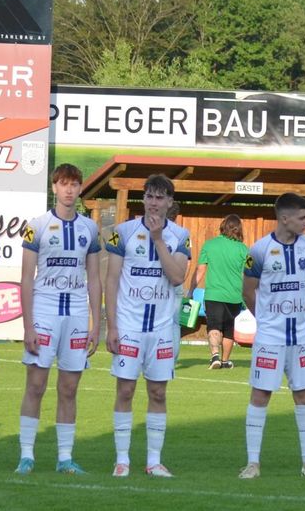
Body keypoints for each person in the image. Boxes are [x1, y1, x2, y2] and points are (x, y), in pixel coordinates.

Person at [239, 192, 305, 480]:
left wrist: (296, 312)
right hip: (270, 336)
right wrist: (267, 319)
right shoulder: (259, 250)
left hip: (302, 336)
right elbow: (247, 291)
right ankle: (253, 464)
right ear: (284, 218)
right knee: (261, 394)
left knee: (304, 395)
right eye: (303, 217)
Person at [17, 163, 103, 475]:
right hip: (44, 311)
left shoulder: (89, 229)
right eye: (63, 184)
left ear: (80, 189)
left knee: (69, 388)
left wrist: (98, 324)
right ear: (54, 187)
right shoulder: (36, 225)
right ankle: (27, 455)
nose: (69, 190)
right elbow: (27, 278)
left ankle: (65, 457)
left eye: (74, 184)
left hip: (77, 315)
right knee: (36, 385)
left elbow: (94, 277)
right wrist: (27, 326)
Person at [105, 174, 191, 478]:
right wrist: (111, 327)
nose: (154, 203)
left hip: (162, 329)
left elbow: (177, 276)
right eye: (149, 196)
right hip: (128, 326)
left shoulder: (181, 235)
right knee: (125, 390)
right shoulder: (122, 232)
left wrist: (157, 241)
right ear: (143, 199)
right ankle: (122, 460)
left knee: (158, 393)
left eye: (160, 197)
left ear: (170, 202)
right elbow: (112, 280)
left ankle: (154, 461)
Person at [195, 214, 249, 370]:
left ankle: (215, 356)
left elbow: (200, 270)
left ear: (222, 227)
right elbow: (248, 274)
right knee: (228, 328)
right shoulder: (243, 249)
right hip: (235, 296)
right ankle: (225, 361)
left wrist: (191, 289)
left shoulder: (209, 245)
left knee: (214, 325)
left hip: (214, 294)